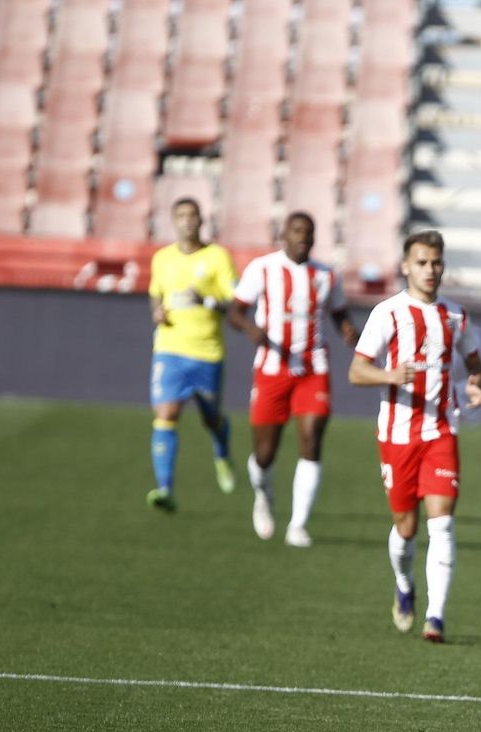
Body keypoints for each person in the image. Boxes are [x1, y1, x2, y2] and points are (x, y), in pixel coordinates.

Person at [348, 231, 481, 644]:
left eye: (436, 262)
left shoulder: (456, 316)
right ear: (406, 266)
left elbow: (476, 363)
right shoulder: (387, 314)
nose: (430, 270)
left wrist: (476, 385)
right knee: (406, 529)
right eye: (422, 262)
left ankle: (436, 618)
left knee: (441, 525)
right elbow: (357, 371)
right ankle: (404, 585)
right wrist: (390, 375)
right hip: (397, 434)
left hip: (442, 430)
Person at [226, 212, 357, 547]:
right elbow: (234, 311)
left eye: (309, 233)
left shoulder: (326, 276)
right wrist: (250, 328)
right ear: (283, 234)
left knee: (311, 440)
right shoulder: (262, 269)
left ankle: (298, 525)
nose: (303, 237)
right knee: (265, 453)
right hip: (272, 368)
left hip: (313, 368)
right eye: (297, 231)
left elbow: (338, 310)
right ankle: (264, 495)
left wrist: (346, 328)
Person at [145, 197, 239, 512]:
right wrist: (156, 311)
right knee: (166, 414)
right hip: (170, 349)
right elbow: (156, 294)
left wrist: (206, 299)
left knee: (211, 419)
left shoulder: (217, 257)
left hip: (207, 352)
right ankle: (164, 488)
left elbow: (233, 303)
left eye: (192, 215)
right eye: (181, 215)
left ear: (202, 220)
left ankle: (222, 451)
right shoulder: (162, 258)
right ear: (173, 221)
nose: (187, 221)